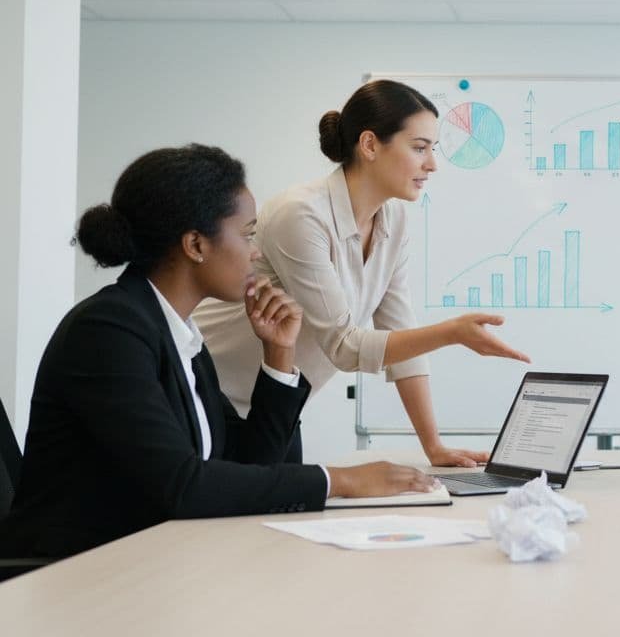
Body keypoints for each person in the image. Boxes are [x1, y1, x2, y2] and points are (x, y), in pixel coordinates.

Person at [0, 145, 433, 559]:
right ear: (196, 245)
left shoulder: (180, 333)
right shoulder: (109, 330)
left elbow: (247, 462)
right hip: (78, 574)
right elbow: (183, 485)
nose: (256, 251)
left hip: (157, 559)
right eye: (247, 235)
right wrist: (341, 480)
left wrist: (279, 355)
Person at [194, 80, 530, 467]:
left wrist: (433, 447)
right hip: (213, 396)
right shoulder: (301, 214)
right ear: (369, 145)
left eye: (432, 150)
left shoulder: (395, 220)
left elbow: (401, 335)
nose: (432, 164)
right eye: (419, 148)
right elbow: (345, 346)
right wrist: (452, 333)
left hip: (278, 403)